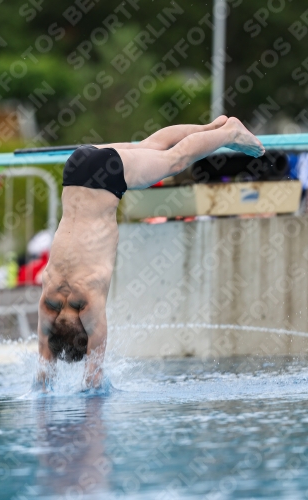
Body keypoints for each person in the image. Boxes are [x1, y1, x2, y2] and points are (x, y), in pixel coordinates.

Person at [37, 116, 265, 387]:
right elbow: (43, 363)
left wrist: (89, 381)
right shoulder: (48, 300)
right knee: (152, 145)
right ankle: (209, 130)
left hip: (106, 178)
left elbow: (93, 375)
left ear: (83, 334)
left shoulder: (87, 300)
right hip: (77, 166)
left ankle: (229, 133)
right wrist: (45, 379)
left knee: (175, 161)